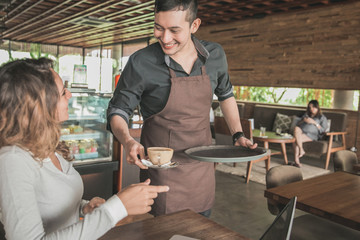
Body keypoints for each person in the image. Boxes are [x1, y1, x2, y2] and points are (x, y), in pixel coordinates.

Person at [107, 0, 256, 217]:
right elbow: (118, 111)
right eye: (159, 27)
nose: (165, 38)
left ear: (194, 25)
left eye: (174, 30)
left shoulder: (215, 55)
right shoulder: (141, 62)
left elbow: (226, 95)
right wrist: (128, 140)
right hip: (161, 175)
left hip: (201, 172)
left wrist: (238, 134)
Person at [0, 58, 169, 240]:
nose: (70, 94)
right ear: (39, 106)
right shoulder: (12, 160)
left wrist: (84, 207)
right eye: (62, 92)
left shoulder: (48, 147)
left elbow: (48, 203)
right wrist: (117, 207)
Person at [291, 100, 328, 167]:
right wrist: (303, 120)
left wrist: (314, 122)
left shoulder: (322, 117)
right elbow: (298, 124)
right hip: (301, 131)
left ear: (317, 107)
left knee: (295, 140)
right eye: (310, 107)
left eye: (313, 107)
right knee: (296, 128)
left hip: (311, 135)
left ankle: (296, 161)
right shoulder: (306, 114)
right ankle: (301, 150)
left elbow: (323, 130)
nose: (311, 109)